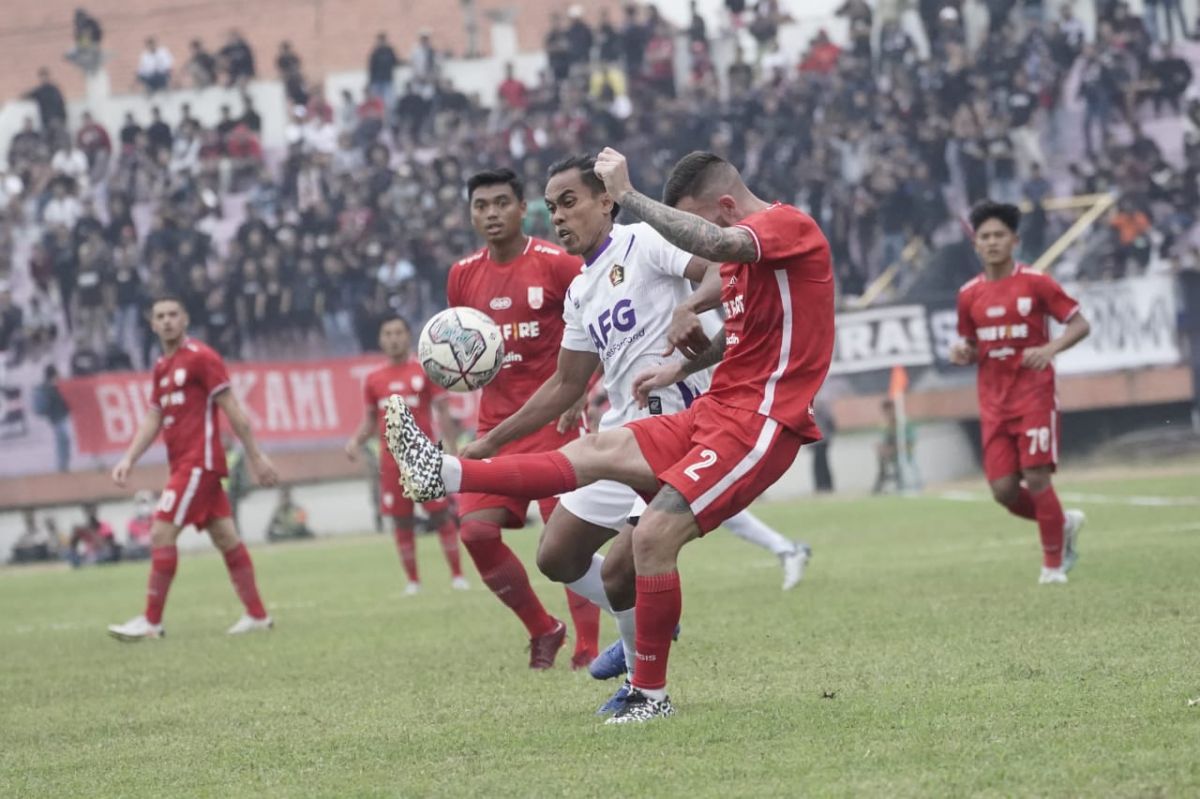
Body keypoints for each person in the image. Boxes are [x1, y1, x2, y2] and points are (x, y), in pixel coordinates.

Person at [387, 149, 835, 723]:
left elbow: (715, 258)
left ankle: (648, 687)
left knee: (647, 545)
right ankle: (447, 472)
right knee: (561, 543)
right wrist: (491, 440)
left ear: (605, 201)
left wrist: (645, 221)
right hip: (688, 410)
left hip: (751, 416)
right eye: (552, 208)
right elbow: (571, 379)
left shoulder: (705, 234)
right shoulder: (580, 289)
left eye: (568, 202)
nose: (558, 217)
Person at [439, 166, 600, 670]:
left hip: (556, 425)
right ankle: (543, 628)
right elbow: (463, 348)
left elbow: (599, 330)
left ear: (522, 206)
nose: (491, 214)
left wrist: (584, 392)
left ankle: (588, 648)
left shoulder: (556, 265)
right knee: (475, 534)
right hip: (495, 431)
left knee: (565, 542)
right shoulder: (462, 275)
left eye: (501, 203)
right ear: (470, 213)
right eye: (481, 206)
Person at [106, 295, 279, 641]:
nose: (167, 321)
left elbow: (232, 408)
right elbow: (154, 416)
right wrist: (128, 458)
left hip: (199, 463)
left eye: (173, 314)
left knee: (159, 533)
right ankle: (258, 616)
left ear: (185, 320)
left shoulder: (202, 358)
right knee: (226, 537)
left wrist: (256, 455)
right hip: (187, 465)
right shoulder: (161, 367)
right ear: (152, 324)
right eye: (160, 316)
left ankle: (152, 622)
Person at [949, 201, 1090, 585]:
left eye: (999, 235)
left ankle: (1052, 567)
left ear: (1015, 240)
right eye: (984, 237)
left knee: (1037, 477)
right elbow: (972, 345)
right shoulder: (968, 295)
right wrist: (962, 353)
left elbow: (1080, 324)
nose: (992, 242)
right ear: (975, 244)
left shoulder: (1037, 282)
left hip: (1034, 396)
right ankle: (1062, 524)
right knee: (1003, 490)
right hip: (994, 402)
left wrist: (1049, 349)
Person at [346, 315, 467, 593]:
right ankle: (413, 582)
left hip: (423, 458)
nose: (393, 338)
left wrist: (453, 447)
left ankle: (458, 576)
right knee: (401, 520)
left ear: (408, 336)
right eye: (387, 333)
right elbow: (370, 420)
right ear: (380, 339)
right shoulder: (373, 379)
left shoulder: (425, 370)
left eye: (398, 332)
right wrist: (355, 441)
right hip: (390, 462)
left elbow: (443, 412)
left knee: (440, 515)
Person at [32, 364, 71, 472]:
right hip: (57, 417)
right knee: (63, 438)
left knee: (63, 440)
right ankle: (62, 464)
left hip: (61, 416)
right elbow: (43, 405)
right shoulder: (47, 388)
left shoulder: (55, 386)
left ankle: (63, 464)